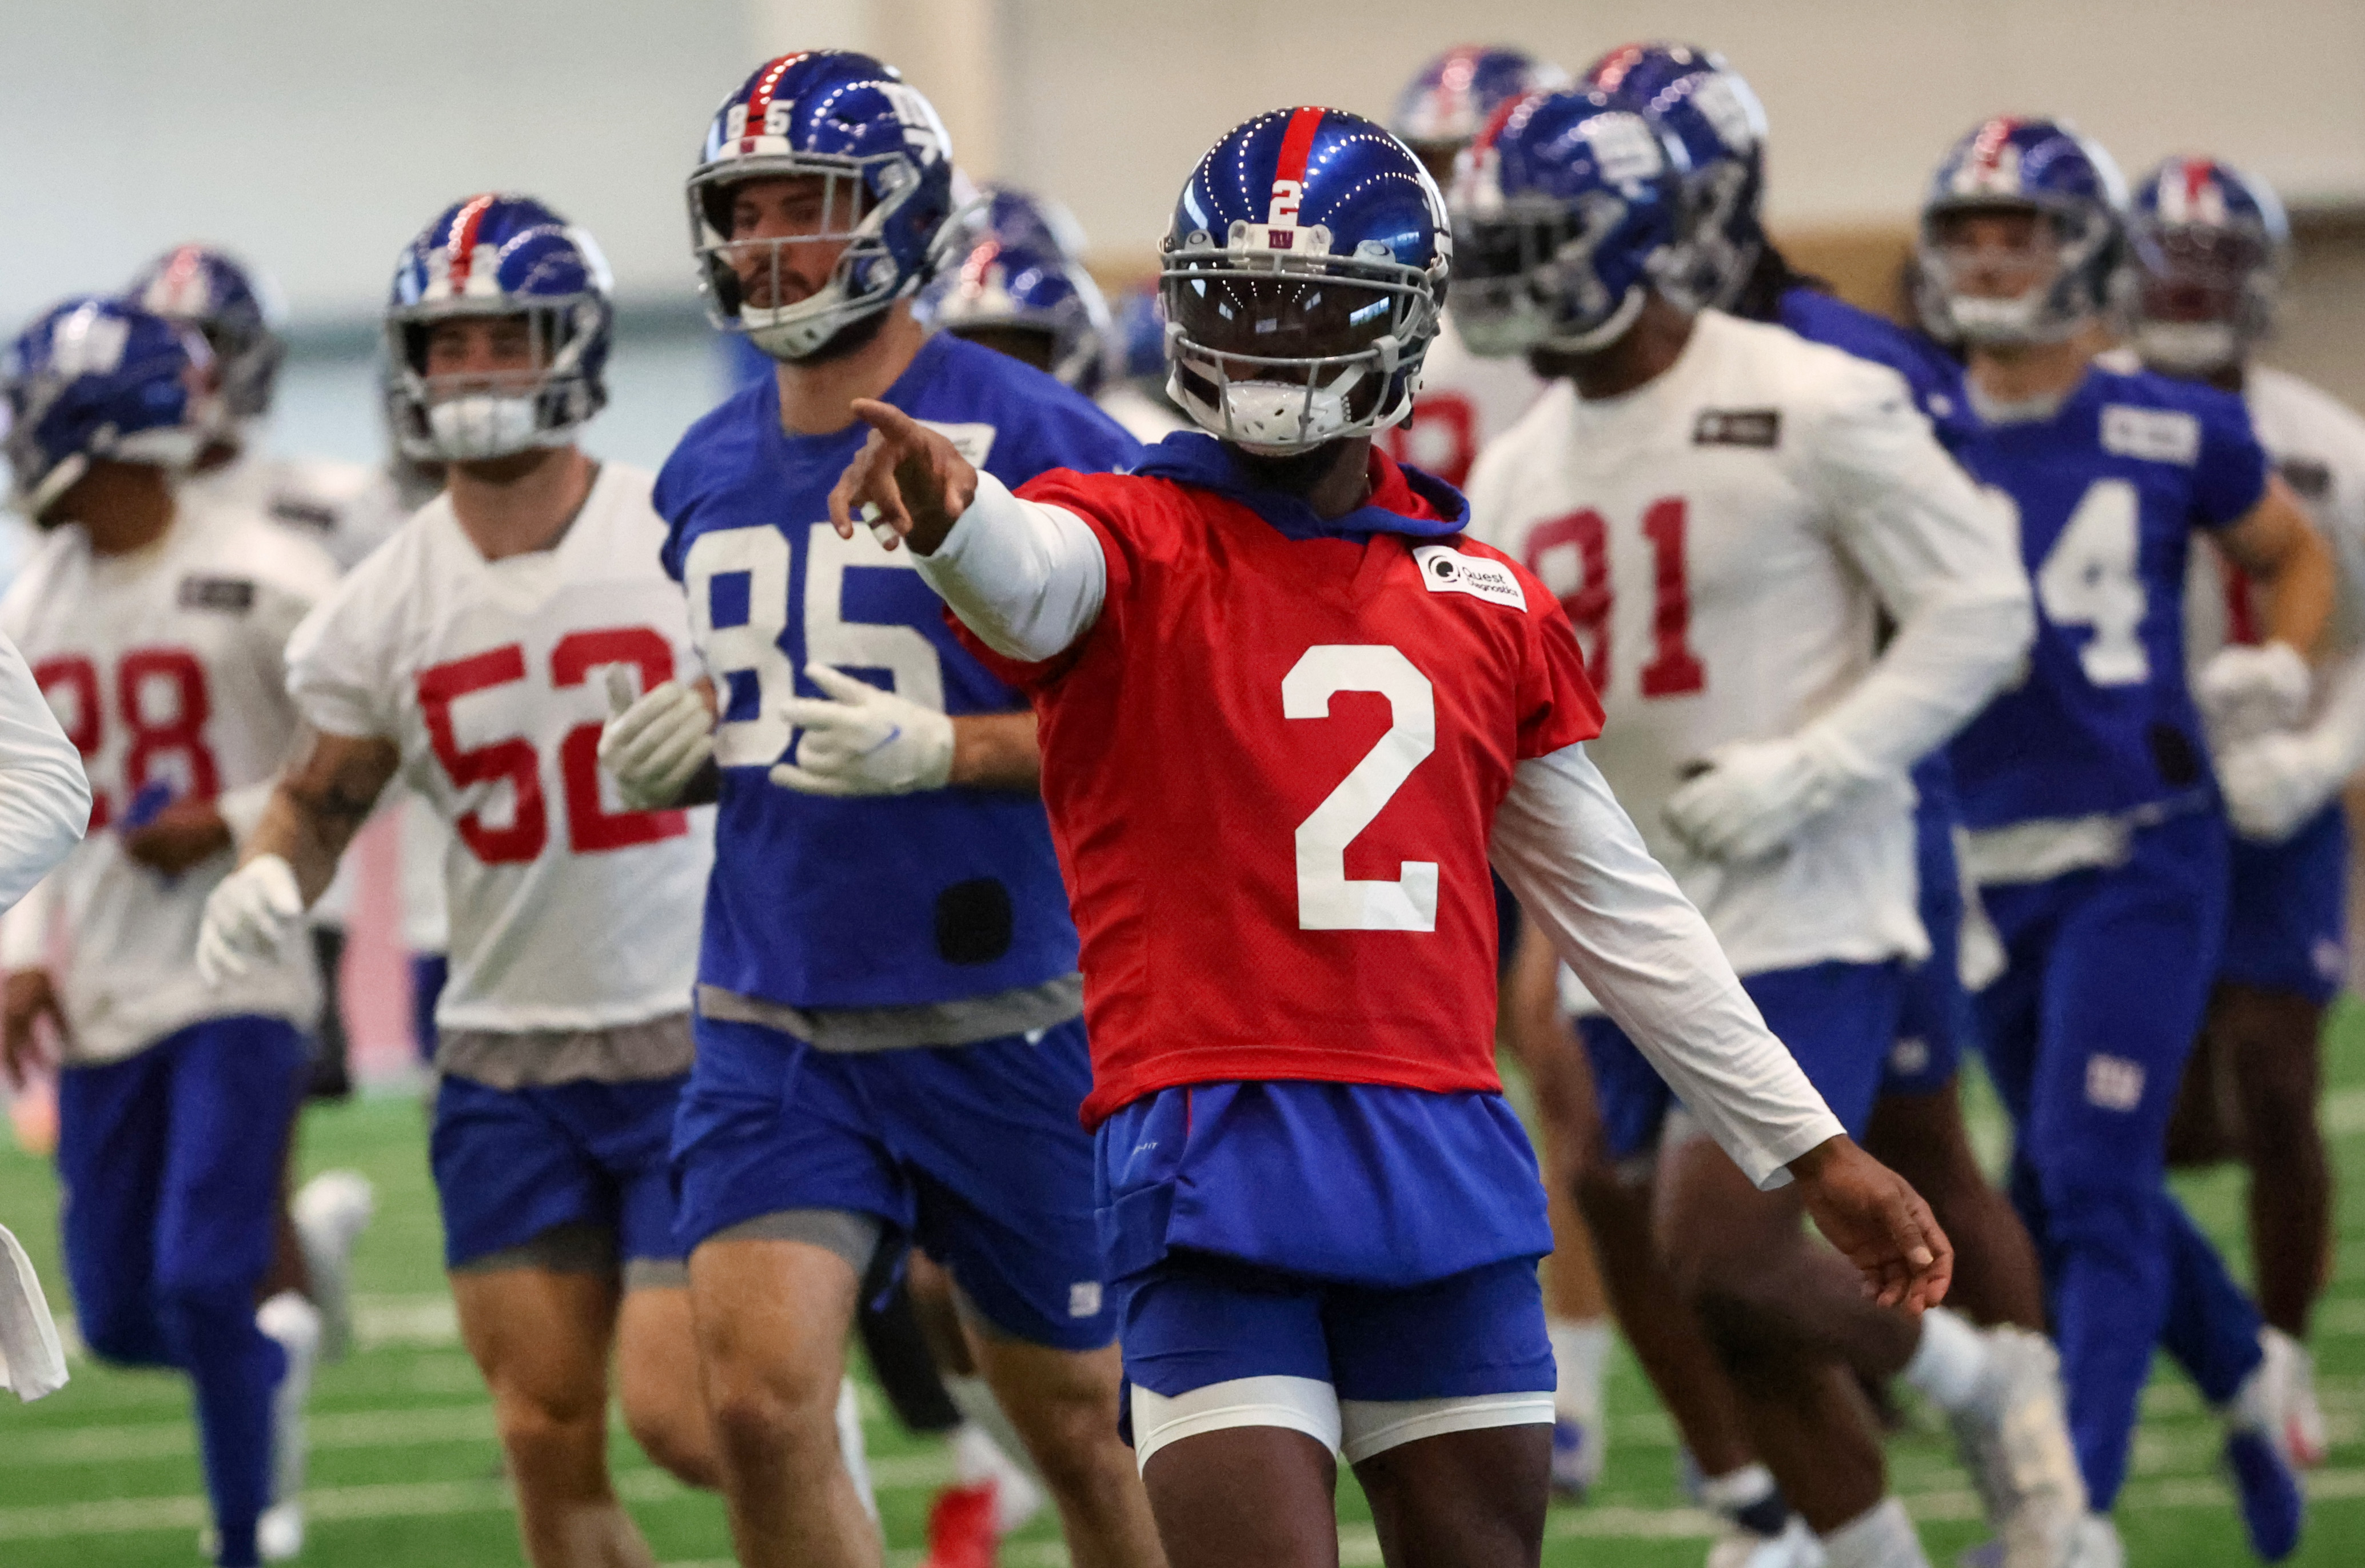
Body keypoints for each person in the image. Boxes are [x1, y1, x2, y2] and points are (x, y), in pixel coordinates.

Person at [824, 101, 1955, 1568]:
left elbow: (1627, 914)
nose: (1278, 344)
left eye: (1318, 309)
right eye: (1245, 304)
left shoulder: (1481, 593)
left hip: (1439, 1145)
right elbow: (1029, 578)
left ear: (1404, 325)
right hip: (1211, 1136)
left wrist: (1810, 1150)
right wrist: (951, 519)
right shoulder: (1124, 531)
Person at [1457, 87, 2077, 1568]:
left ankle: (1985, 1384)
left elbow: (1983, 602)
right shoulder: (1518, 467)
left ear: (1624, 239)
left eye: (1527, 243)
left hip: (1808, 886)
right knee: (1711, 1306)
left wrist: (1816, 764)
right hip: (1634, 917)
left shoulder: (1808, 392)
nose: (1496, 278)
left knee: (1717, 1250)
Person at [597, 51, 1158, 1568]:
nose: (774, 243)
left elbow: (1156, 727)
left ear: (902, 217)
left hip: (1009, 1005)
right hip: (775, 1005)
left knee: (1083, 1432)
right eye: (749, 210)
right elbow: (784, 694)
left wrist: (950, 751)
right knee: (761, 1411)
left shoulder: (1042, 433)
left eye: (812, 208)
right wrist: (702, 739)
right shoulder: (705, 466)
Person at [196, 194, 738, 1568]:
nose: (477, 370)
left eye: (506, 337)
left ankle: (823, 1466)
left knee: (690, 1415)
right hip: (504, 1054)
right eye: (449, 344)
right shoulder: (381, 597)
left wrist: (736, 746)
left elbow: (799, 739)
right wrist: (269, 871)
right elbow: (322, 793)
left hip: (696, 1029)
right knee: (544, 1433)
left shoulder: (681, 532)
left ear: (574, 345)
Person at [1916, 115, 2336, 1567]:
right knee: (2057, 1174)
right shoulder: (1904, 419)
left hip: (2143, 847)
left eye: (2018, 226)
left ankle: (2069, 1515)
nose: (1988, 253)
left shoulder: (2178, 423)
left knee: (2089, 1175)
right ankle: (2233, 1378)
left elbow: (2293, 550)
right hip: (1981, 857)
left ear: (2085, 247)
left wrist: (2281, 667)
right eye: (1968, 227)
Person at [0, 296, 339, 1568]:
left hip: (236, 971)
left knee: (204, 1277)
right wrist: (23, 958)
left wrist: (236, 816)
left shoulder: (270, 573)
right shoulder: (33, 600)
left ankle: (246, 1539)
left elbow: (374, 752)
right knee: (123, 1314)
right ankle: (274, 1353)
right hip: (100, 974)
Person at [1388, 41, 1618, 1499]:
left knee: (1554, 1044)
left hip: (1516, 685)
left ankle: (1574, 1374)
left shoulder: (1552, 327)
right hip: (1388, 711)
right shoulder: (1383, 302)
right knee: (1439, 1048)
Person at [2131, 154, 2364, 1470]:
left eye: (2208, 265)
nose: (2181, 287)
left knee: (2279, 1078)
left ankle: (2279, 1359)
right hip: (2129, 806)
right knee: (2141, 1115)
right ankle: (2178, 1330)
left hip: (2275, 801)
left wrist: (2320, 752)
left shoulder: (2325, 443)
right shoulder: (2080, 423)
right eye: (2163, 258)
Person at [127, 244, 408, 1102]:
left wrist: (236, 817)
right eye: (166, 341)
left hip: (295, 863)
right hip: (136, 882)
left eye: (206, 339)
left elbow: (392, 704)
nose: (189, 364)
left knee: (253, 1118)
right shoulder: (104, 520)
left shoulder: (334, 506)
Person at [1381, 44, 1567, 488]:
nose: (1451, 196)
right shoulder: (1389, 321)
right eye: (1430, 166)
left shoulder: (1592, 322)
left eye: (1471, 162)